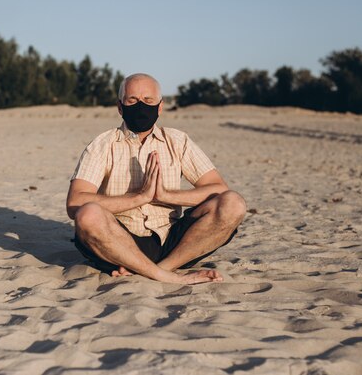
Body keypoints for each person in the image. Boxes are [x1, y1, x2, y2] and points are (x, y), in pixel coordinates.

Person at [66, 73, 246, 284]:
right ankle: (165, 276)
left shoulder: (178, 141)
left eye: (148, 101)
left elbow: (218, 189)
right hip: (120, 242)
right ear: (120, 107)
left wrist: (166, 195)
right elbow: (74, 203)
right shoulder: (102, 144)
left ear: (160, 107)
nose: (141, 106)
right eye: (132, 100)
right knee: (87, 214)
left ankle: (160, 270)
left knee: (233, 203)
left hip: (173, 241)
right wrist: (139, 198)